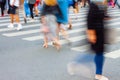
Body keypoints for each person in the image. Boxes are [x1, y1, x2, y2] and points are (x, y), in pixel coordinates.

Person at [86, 0, 109, 80]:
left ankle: (98, 73)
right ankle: (98, 74)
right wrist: (91, 35)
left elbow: (101, 16)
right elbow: (89, 21)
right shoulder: (93, 6)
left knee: (97, 53)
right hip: (96, 34)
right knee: (99, 54)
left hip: (99, 33)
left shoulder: (98, 5)